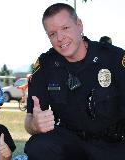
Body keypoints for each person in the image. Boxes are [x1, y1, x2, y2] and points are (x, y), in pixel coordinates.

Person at [24, 2, 125, 160]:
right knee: (37, 146)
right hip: (70, 142)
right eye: (52, 34)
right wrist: (35, 125)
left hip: (112, 144)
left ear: (79, 25)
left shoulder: (114, 59)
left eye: (65, 28)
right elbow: (29, 119)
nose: (60, 38)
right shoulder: (46, 65)